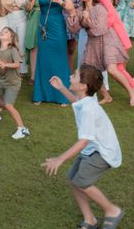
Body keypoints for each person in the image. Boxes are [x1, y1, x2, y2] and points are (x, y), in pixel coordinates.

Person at [43, 64, 125, 229]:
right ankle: (90, 220)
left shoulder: (89, 109)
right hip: (93, 149)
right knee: (74, 180)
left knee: (82, 181)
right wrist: (61, 88)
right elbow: (76, 102)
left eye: (74, 76)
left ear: (82, 86)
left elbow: (83, 142)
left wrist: (60, 159)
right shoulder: (86, 100)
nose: (70, 77)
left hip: (102, 152)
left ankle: (112, 210)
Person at [69, 0, 134, 107]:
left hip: (107, 40)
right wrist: (72, 19)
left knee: (112, 69)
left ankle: (132, 93)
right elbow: (76, 29)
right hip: (93, 43)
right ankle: (107, 96)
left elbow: (100, 30)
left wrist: (87, 20)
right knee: (89, 72)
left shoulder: (99, 9)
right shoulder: (81, 9)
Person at [29, 0, 73, 106]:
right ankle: (41, 94)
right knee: (44, 58)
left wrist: (59, 1)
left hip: (57, 26)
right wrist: (30, 1)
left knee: (59, 58)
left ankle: (62, 96)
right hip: (43, 26)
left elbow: (71, 7)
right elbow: (28, 8)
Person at [1, 0, 30, 76]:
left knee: (21, 42)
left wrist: (19, 5)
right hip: (9, 16)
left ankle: (23, 69)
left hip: (21, 17)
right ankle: (11, 67)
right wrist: (11, 7)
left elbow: (27, 5)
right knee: (11, 42)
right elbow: (3, 4)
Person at [59, 0, 82, 73]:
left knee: (71, 49)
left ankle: (69, 73)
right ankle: (59, 72)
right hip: (59, 20)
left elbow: (80, 5)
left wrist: (69, 5)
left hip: (72, 21)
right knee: (59, 48)